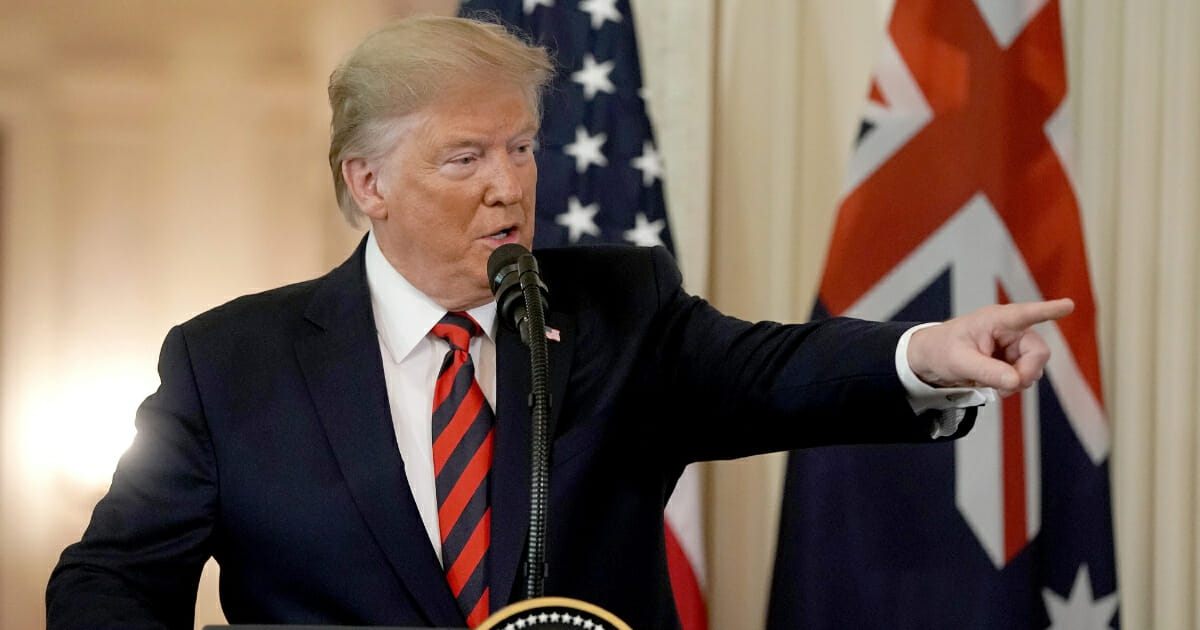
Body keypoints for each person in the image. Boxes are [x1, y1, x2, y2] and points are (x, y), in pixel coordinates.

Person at [46, 14, 1074, 630]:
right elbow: (111, 581)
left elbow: (771, 369)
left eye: (523, 149)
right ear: (369, 183)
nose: (511, 187)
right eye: (466, 158)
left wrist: (921, 356)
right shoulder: (231, 366)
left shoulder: (618, 309)